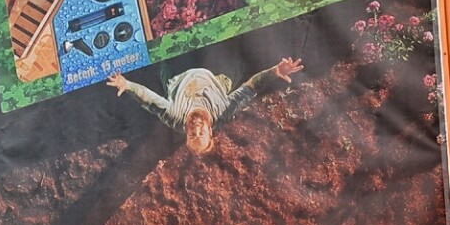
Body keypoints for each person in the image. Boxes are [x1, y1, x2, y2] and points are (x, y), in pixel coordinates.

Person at [107, 57, 304, 154]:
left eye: (192, 135)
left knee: (168, 58)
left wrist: (127, 85)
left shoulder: (175, 117)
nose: (196, 129)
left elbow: (148, 99)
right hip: (215, 75)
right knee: (233, 63)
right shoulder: (223, 112)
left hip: (180, 74)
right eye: (201, 134)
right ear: (210, 131)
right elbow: (251, 87)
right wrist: (275, 71)